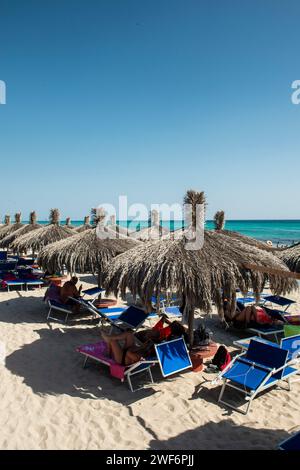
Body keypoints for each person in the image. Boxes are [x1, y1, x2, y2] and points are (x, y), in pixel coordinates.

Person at [101, 315, 188, 365]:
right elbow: (145, 346)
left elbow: (133, 353)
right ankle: (109, 339)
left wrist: (139, 347)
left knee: (113, 341)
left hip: (126, 358)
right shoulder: (165, 340)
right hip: (134, 351)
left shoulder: (161, 344)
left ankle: (109, 350)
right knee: (129, 334)